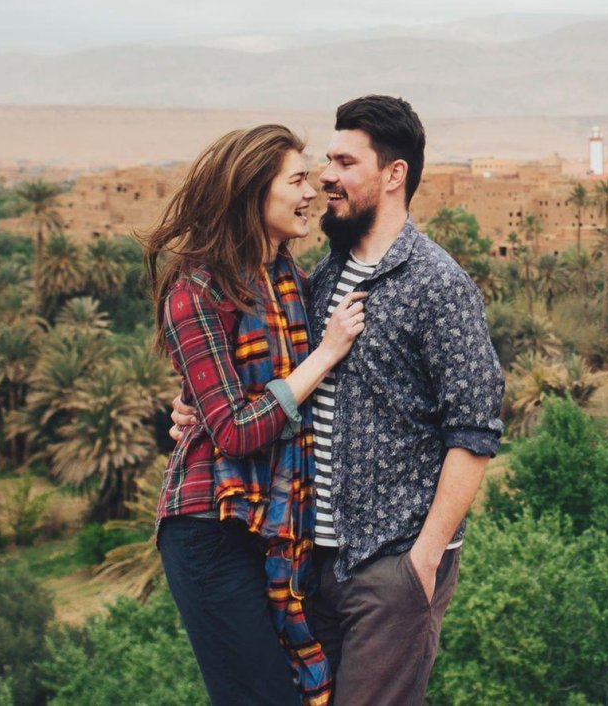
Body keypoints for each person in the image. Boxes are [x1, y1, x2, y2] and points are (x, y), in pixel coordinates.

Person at [173, 96, 504, 704]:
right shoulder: (319, 277)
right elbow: (257, 378)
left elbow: (475, 433)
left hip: (390, 561)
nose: (327, 176)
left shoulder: (438, 285)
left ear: (394, 174)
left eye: (345, 162)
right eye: (324, 161)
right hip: (308, 563)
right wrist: (195, 407)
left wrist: (424, 560)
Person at [146, 124, 368, 706]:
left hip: (275, 525)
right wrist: (324, 355)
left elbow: (231, 406)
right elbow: (236, 431)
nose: (311, 193)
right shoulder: (194, 292)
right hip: (209, 529)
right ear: (252, 193)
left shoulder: (289, 282)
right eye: (295, 180)